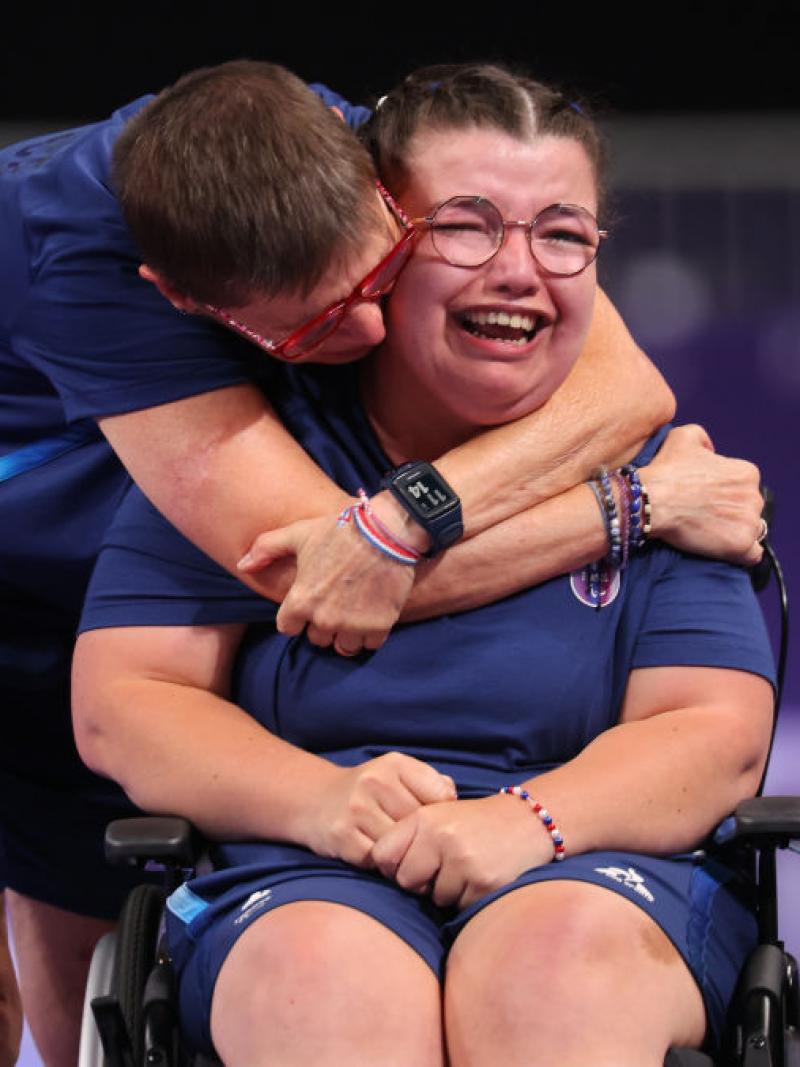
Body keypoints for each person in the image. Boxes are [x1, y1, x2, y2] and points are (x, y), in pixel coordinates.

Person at [73, 63, 774, 1066]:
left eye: (562, 233)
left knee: (551, 963)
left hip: (603, 868)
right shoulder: (253, 457)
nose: (517, 271)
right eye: (464, 225)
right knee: (320, 975)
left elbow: (709, 730)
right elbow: (126, 700)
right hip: (301, 864)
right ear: (378, 238)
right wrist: (318, 801)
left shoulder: (671, 473)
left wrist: (533, 816)